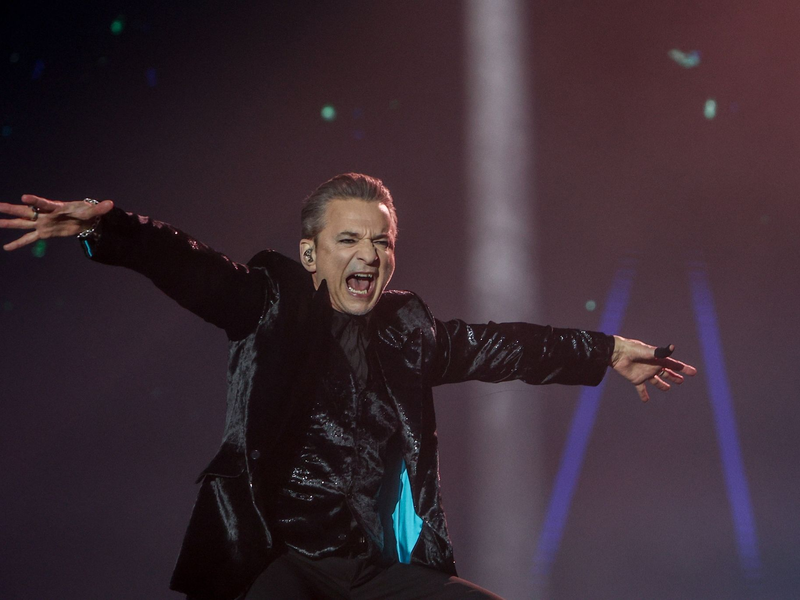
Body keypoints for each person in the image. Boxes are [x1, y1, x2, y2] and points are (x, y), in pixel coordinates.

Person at [0, 173, 696, 600]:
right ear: (311, 254)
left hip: (370, 573)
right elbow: (196, 269)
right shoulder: (270, 303)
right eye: (349, 241)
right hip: (275, 563)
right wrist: (112, 230)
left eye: (383, 241)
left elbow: (502, 345)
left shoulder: (407, 330)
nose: (370, 255)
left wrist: (605, 350)